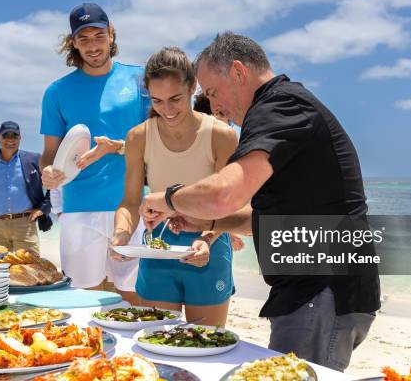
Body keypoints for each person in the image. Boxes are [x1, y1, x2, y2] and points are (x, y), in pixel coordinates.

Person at [140, 32, 380, 371]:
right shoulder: (283, 107)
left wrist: (168, 198)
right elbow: (268, 215)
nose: (216, 106)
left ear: (238, 72)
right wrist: (210, 223)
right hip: (317, 289)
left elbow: (225, 193)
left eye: (212, 92)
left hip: (322, 288)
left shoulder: (280, 106)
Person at [112, 47, 238, 326]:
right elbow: (131, 202)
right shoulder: (137, 137)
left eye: (175, 99)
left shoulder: (222, 136)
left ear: (194, 87)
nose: (166, 110)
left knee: (207, 344)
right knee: (155, 339)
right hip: (158, 248)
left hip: (210, 245)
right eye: (157, 100)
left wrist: (206, 240)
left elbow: (229, 203)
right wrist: (121, 235)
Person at [39, 3, 149, 303]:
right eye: (83, 38)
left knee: (134, 296)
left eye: (99, 36)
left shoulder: (141, 80)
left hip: (133, 205)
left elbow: (160, 140)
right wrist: (47, 172)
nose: (92, 45)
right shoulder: (56, 91)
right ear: (73, 42)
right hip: (79, 207)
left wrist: (117, 147)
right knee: (84, 299)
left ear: (111, 35)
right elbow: (49, 152)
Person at [0, 121, 52, 254]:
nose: (10, 140)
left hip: (25, 223)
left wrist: (42, 209)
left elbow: (54, 186)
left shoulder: (34, 160)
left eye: (14, 136)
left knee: (30, 267)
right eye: (6, 135)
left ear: (20, 138)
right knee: (0, 270)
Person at [192, 93, 245, 252]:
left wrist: (227, 230)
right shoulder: (226, 145)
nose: (229, 124)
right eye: (222, 114)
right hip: (209, 239)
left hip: (206, 236)